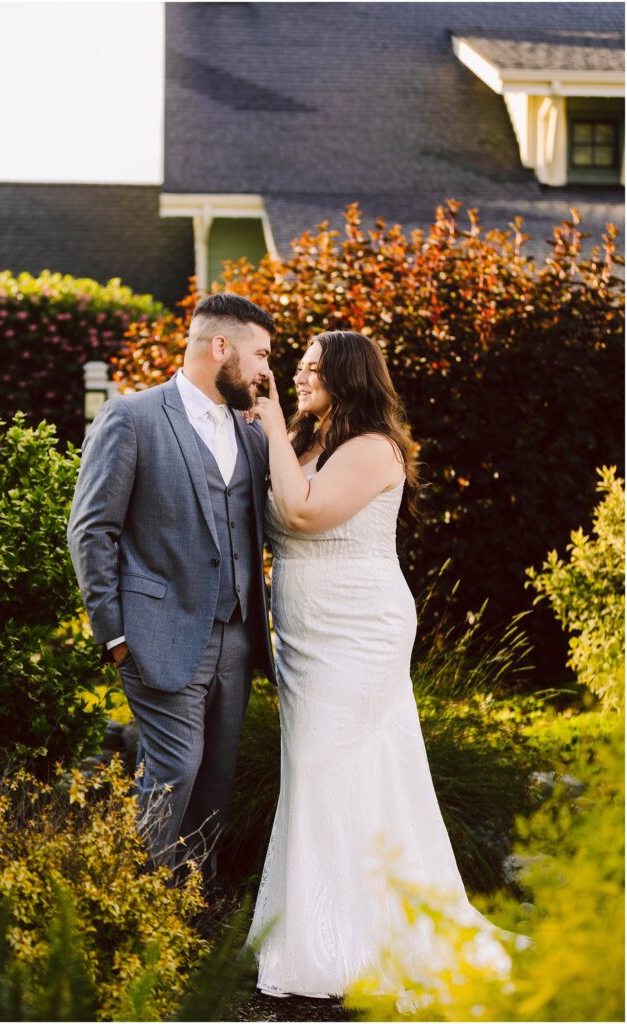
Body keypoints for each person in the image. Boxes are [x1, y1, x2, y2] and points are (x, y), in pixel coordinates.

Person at [246, 330, 515, 1007]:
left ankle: (346, 944)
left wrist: (273, 423)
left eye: (312, 368)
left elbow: (304, 513)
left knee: (319, 764)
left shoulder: (373, 448)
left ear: (348, 375)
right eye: (298, 366)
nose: (299, 376)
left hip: (360, 628)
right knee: (335, 769)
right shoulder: (307, 443)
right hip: (303, 632)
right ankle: (330, 927)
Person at [67, 293, 276, 889]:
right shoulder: (131, 417)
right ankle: (136, 904)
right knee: (175, 767)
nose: (266, 370)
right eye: (260, 354)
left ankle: (191, 902)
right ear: (220, 348)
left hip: (236, 637)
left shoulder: (253, 434)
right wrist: (114, 635)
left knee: (214, 778)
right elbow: (92, 528)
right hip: (156, 634)